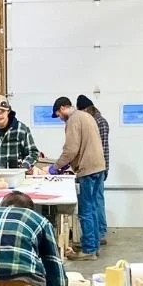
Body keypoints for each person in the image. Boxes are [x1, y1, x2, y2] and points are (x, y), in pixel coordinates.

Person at [50, 96, 106, 261]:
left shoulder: (73, 120)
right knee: (93, 208)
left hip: (87, 170)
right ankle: (93, 244)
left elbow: (71, 149)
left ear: (62, 108)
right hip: (98, 167)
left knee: (85, 211)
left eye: (58, 114)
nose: (60, 118)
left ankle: (89, 250)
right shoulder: (87, 116)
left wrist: (56, 167)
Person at [76, 94, 110, 247]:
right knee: (95, 201)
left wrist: (104, 168)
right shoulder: (97, 121)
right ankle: (96, 235)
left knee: (95, 202)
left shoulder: (99, 122)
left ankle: (100, 233)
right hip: (99, 167)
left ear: (85, 109)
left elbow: (101, 148)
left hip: (96, 168)